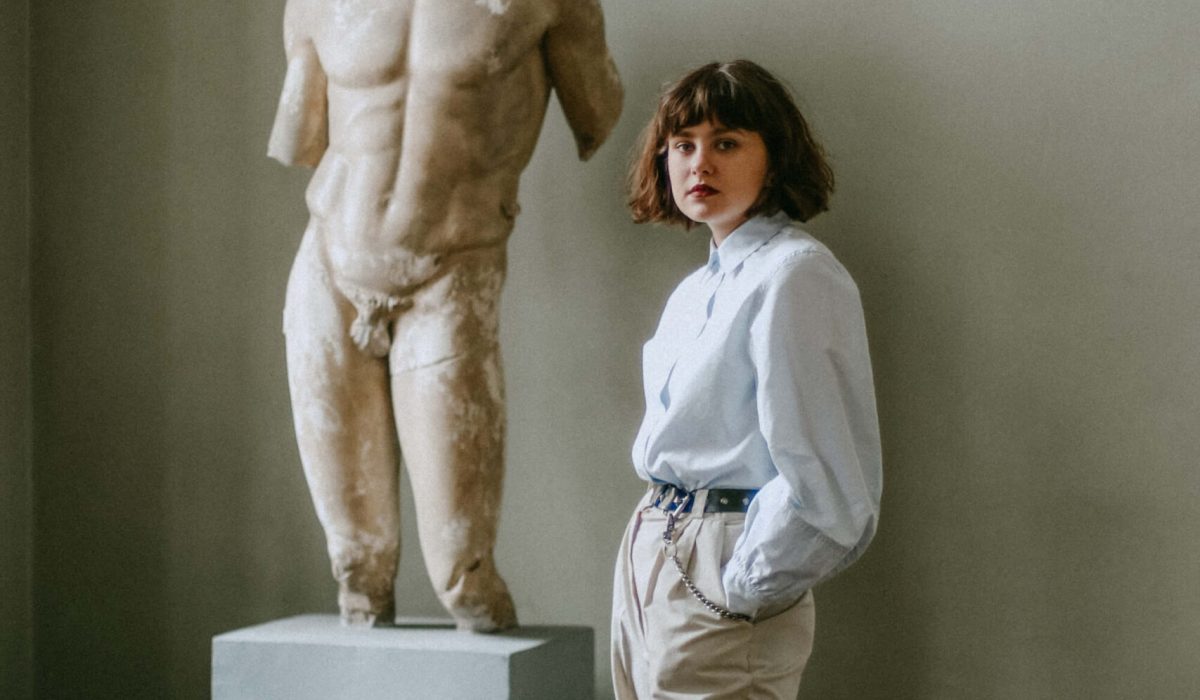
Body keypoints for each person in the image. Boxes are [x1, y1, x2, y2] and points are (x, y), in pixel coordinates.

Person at [267, 0, 622, 632]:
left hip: (453, 270)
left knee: (464, 578)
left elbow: (596, 112)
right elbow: (302, 138)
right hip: (329, 265)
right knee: (356, 569)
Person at [611, 60, 882, 698]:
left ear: (775, 158)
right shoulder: (693, 292)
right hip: (651, 560)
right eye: (683, 145)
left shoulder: (795, 274)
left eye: (726, 143)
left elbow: (829, 483)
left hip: (718, 562)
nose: (699, 163)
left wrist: (741, 586)